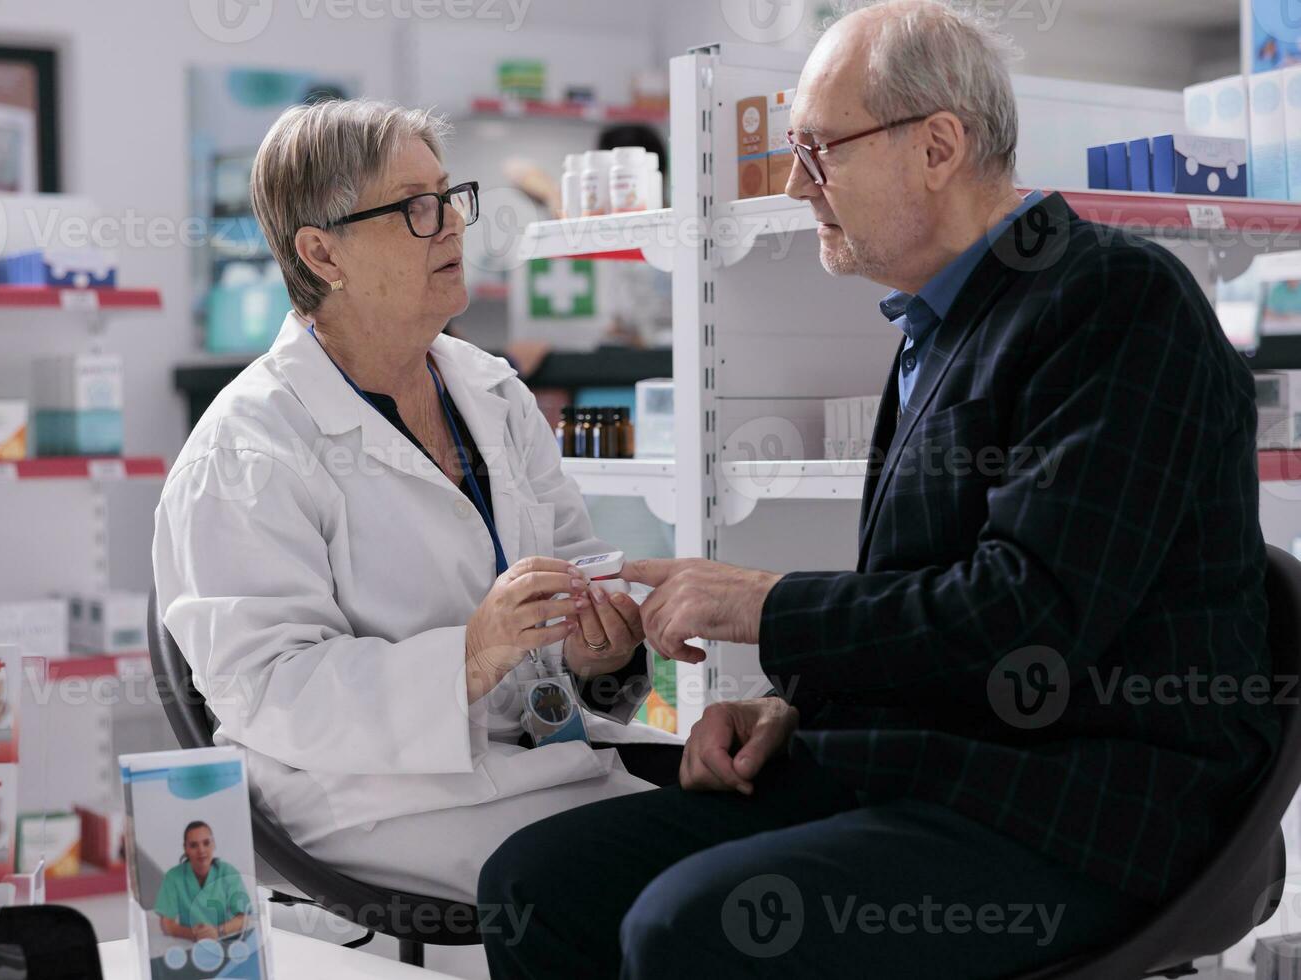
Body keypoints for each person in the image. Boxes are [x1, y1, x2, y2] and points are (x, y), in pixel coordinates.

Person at [478, 2, 1279, 977]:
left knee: (686, 927)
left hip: (1084, 804)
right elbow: (926, 602)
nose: (793, 183)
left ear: (938, 145)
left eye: (819, 151)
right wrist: (793, 706)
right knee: (537, 883)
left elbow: (1027, 617)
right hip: (943, 767)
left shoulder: (1115, 302)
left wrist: (764, 604)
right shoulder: (937, 328)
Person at [152, 98, 681, 907]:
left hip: (538, 758)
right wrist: (469, 655)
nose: (451, 226)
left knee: (768, 819)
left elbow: (576, 581)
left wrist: (600, 650)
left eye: (449, 196)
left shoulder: (492, 391)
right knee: (676, 883)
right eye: (414, 209)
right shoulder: (245, 450)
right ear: (321, 251)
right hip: (377, 803)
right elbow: (266, 690)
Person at [154, 821, 252, 942]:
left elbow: (244, 917)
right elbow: (166, 924)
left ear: (214, 844)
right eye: (194, 845)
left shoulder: (228, 873)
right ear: (186, 849)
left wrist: (218, 932)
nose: (201, 850)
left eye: (206, 843)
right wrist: (194, 935)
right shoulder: (173, 877)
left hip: (227, 942)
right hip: (191, 944)